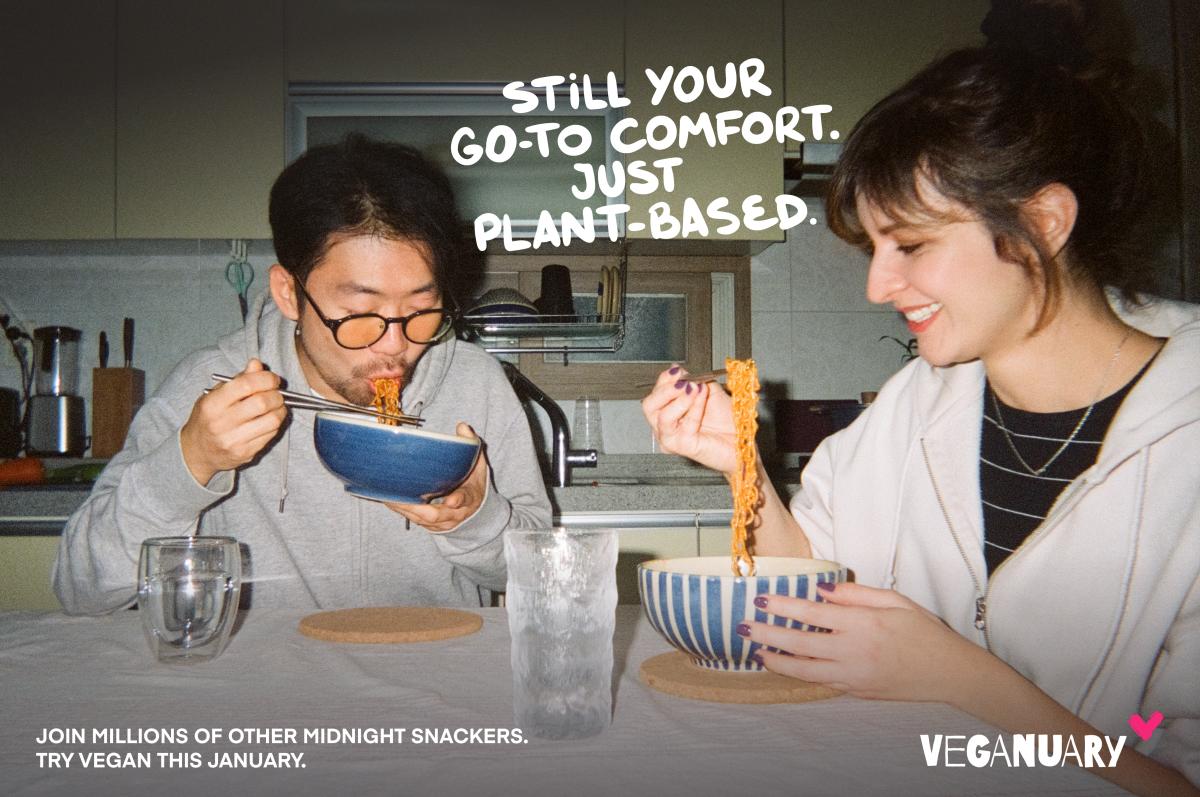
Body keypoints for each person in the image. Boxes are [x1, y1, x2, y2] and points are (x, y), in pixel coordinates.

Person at [642, 5, 1199, 795]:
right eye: (874, 248)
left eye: (911, 245)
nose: (877, 284)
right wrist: (742, 466)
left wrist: (960, 677)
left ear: (1043, 222)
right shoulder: (917, 403)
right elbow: (810, 585)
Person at [54, 135, 552, 614]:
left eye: (423, 310)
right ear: (289, 292)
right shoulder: (211, 384)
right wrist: (189, 462)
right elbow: (81, 590)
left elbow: (542, 574)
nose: (396, 347)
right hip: (269, 687)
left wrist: (475, 518)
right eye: (361, 314)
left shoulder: (477, 384)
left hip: (434, 674)